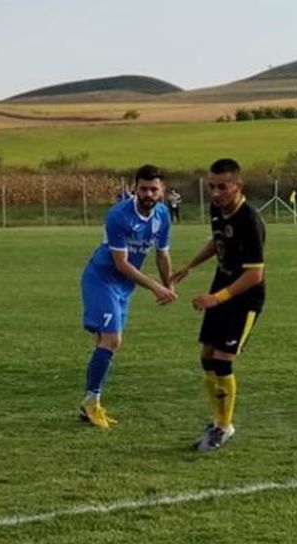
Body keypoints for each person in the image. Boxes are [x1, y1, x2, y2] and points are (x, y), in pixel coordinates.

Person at [171, 158, 267, 453]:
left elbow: (255, 274)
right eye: (211, 186)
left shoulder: (249, 220)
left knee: (223, 359)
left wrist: (217, 298)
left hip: (244, 297)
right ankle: (217, 420)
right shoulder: (218, 209)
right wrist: (191, 265)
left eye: (221, 187)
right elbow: (217, 240)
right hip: (221, 287)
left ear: (238, 186)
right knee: (207, 356)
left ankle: (224, 427)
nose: (215, 193)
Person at [79, 164, 177, 428]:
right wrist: (156, 287)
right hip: (101, 279)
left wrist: (169, 285)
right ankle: (91, 402)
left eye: (153, 189)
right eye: (143, 188)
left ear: (162, 191)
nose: (148, 194)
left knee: (105, 342)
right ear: (135, 188)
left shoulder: (163, 216)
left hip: (124, 286)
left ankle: (90, 402)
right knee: (112, 339)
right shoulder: (119, 215)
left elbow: (162, 253)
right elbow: (121, 264)